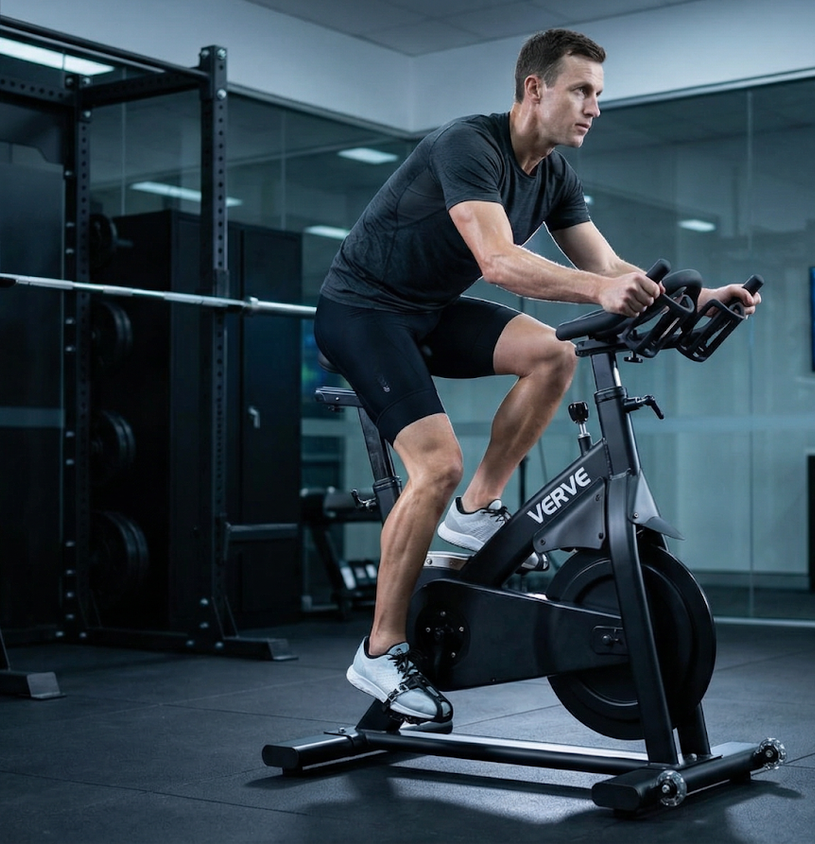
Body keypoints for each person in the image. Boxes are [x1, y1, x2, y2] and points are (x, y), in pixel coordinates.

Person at [313, 28, 760, 727]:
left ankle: (472, 515)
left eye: (598, 95)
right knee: (434, 465)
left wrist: (699, 299)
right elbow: (496, 262)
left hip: (428, 310)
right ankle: (380, 646)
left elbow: (610, 267)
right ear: (534, 89)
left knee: (553, 352)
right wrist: (594, 292)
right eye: (582, 91)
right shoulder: (470, 144)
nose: (594, 108)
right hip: (362, 312)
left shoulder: (553, 173)